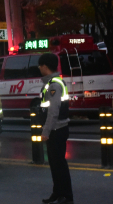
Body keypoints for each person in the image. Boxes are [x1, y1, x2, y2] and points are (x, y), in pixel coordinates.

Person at [38, 53, 73, 204]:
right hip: (56, 128)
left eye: (40, 66)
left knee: (59, 164)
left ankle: (66, 195)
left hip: (57, 129)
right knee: (54, 164)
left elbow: (53, 111)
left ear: (45, 67)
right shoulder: (52, 83)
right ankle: (57, 193)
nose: (39, 69)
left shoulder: (54, 85)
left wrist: (46, 131)